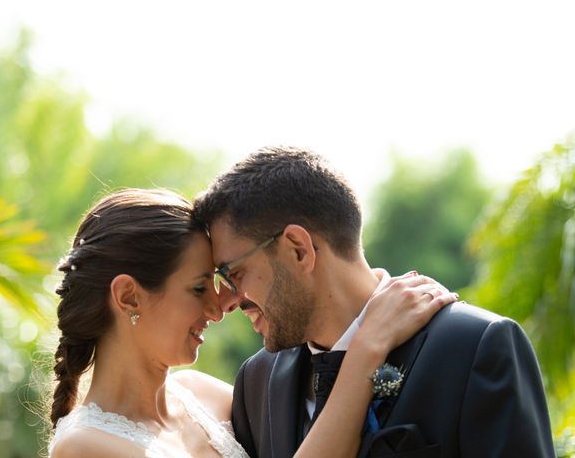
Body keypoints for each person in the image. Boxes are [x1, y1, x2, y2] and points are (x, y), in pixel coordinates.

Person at [193, 146, 556, 458]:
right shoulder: (256, 382)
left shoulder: (475, 347)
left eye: (233, 274)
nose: (227, 301)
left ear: (298, 250)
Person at [46, 188, 456, 457]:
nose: (222, 305)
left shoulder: (211, 396)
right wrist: (368, 349)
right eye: (198, 287)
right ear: (128, 296)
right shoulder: (85, 447)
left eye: (223, 280)